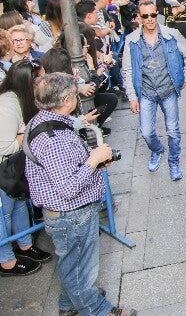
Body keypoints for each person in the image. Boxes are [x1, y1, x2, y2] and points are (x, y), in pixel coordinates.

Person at [25, 72, 137, 316]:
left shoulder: (43, 120)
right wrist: (92, 161)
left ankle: (69, 305)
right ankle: (96, 309)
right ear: (66, 100)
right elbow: (67, 188)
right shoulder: (51, 138)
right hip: (70, 214)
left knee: (71, 263)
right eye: (75, 95)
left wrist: (94, 163)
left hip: (68, 213)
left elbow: (65, 167)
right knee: (81, 268)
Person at [122, 0, 186, 181]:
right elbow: (127, 70)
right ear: (139, 18)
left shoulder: (171, 34)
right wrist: (132, 96)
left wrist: (185, 78)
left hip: (168, 89)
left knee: (173, 130)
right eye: (145, 16)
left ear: (157, 15)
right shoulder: (131, 40)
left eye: (153, 15)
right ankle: (157, 149)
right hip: (146, 92)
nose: (149, 19)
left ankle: (174, 161)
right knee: (146, 132)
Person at [0, 60, 51, 277]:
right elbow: (5, 145)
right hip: (4, 168)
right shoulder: (8, 104)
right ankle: (6, 261)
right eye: (40, 77)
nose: (44, 80)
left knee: (19, 205)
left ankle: (25, 245)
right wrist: (24, 137)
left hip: (14, 167)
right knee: (4, 214)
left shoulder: (23, 98)